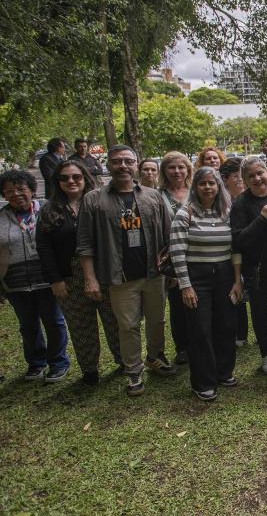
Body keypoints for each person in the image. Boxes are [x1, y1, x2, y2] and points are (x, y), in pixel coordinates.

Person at [77, 145, 174, 396]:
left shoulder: (153, 196)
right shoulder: (93, 200)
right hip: (119, 276)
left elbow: (167, 237)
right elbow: (85, 243)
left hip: (153, 273)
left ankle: (155, 356)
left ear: (136, 164)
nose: (123, 166)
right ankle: (133, 372)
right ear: (108, 164)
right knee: (128, 325)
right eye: (117, 161)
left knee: (157, 319)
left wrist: (171, 273)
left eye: (128, 161)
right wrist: (90, 279)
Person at [37, 161, 121, 385]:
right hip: (68, 275)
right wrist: (55, 280)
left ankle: (124, 362)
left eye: (76, 177)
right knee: (81, 325)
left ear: (85, 178)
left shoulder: (99, 203)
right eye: (64, 178)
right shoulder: (49, 209)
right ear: (57, 182)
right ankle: (90, 370)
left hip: (103, 271)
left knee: (114, 320)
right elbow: (44, 248)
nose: (71, 181)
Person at [169, 166, 242, 401]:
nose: (208, 187)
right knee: (200, 330)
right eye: (203, 184)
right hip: (196, 277)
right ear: (195, 187)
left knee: (226, 325)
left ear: (219, 187)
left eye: (212, 183)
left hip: (224, 275)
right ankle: (203, 382)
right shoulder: (185, 213)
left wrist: (236, 280)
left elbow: (235, 249)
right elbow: (177, 252)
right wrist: (185, 285)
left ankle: (223, 372)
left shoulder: (227, 211)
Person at [0, 169, 70, 382]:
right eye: (9, 191)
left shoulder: (48, 210)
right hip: (15, 282)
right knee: (28, 325)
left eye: (21, 189)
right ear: (3, 195)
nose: (16, 194)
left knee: (54, 321)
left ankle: (58, 363)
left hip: (47, 277)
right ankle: (36, 363)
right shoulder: (1, 218)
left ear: (32, 190)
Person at [230, 156, 267, 374]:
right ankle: (266, 354)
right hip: (256, 269)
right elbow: (239, 240)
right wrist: (261, 219)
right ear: (244, 180)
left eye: (260, 173)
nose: (257, 178)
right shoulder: (241, 203)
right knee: (260, 312)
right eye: (250, 176)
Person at [158, 151, 193, 364]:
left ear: (188, 169)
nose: (177, 171)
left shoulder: (196, 190)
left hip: (198, 254)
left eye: (181, 167)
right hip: (171, 257)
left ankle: (200, 342)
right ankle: (182, 347)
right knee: (177, 303)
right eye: (172, 167)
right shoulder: (157, 194)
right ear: (164, 171)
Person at [219, 158, 250, 347]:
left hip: (248, 251)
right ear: (225, 179)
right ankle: (237, 332)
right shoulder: (221, 200)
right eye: (237, 176)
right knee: (234, 290)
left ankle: (243, 333)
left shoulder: (249, 196)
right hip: (228, 252)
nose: (241, 180)